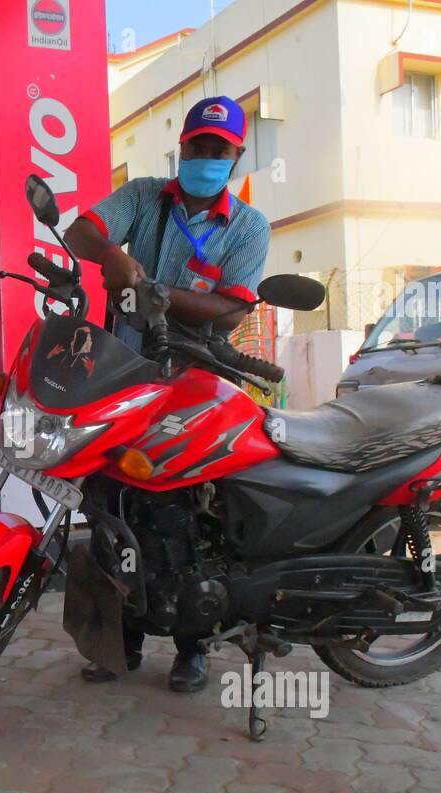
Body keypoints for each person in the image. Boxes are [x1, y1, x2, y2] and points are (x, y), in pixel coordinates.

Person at [63, 95, 271, 693]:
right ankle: (116, 642)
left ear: (235, 157)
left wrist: (150, 288)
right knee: (107, 507)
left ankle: (192, 646)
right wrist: (112, 255)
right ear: (182, 148)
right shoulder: (145, 198)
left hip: (194, 383)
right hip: (119, 376)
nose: (206, 157)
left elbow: (230, 312)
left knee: (185, 518)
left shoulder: (248, 226)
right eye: (197, 146)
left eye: (219, 150)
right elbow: (82, 228)